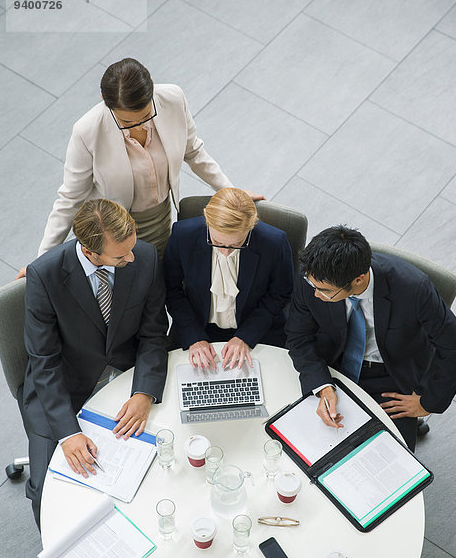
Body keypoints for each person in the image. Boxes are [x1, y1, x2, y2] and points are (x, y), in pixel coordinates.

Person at [17, 57, 263, 276]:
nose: (137, 126)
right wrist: (40, 262)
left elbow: (193, 151)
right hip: (117, 233)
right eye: (126, 122)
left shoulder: (173, 99)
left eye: (146, 116)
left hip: (164, 218)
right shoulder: (87, 131)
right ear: (105, 101)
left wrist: (232, 192)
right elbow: (70, 199)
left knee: (169, 280)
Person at [22, 198, 168, 528]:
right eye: (120, 256)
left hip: (129, 374)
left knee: (157, 465)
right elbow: (43, 361)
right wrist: (68, 433)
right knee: (47, 489)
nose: (131, 258)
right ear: (90, 252)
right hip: (64, 388)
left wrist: (144, 392)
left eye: (132, 248)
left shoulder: (143, 256)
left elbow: (154, 333)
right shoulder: (43, 276)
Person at [285, 225, 456, 451]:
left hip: (390, 376)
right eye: (313, 286)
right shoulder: (313, 276)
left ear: (359, 279)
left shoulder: (414, 289)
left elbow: (455, 347)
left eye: (326, 291)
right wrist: (321, 384)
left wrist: (428, 403)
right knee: (303, 444)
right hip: (331, 363)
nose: (315, 294)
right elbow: (298, 335)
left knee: (388, 457)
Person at [164, 188, 293, 370]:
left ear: (251, 226)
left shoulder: (275, 242)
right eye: (217, 242)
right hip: (197, 325)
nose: (225, 252)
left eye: (236, 245)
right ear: (207, 222)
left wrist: (246, 336)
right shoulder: (182, 235)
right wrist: (194, 336)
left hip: (257, 327)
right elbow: (172, 289)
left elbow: (280, 294)